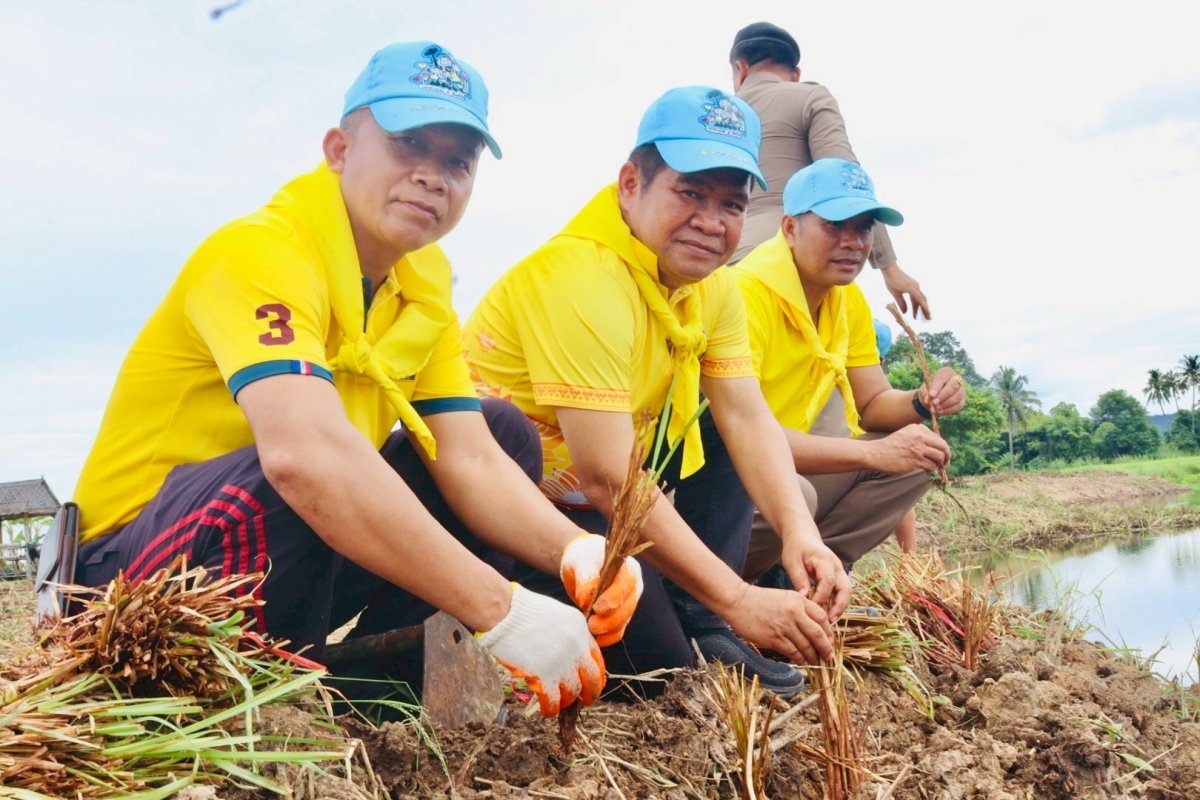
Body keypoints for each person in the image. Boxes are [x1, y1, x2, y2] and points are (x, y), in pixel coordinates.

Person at [70, 41, 643, 719]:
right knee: (308, 465)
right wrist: (502, 607)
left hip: (270, 544)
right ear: (339, 149)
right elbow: (304, 460)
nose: (433, 176)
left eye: (458, 161)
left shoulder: (420, 288)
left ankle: (384, 702)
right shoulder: (262, 252)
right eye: (408, 145)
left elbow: (469, 456)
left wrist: (572, 547)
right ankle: (259, 712)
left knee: (501, 432)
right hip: (129, 577)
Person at [463, 86, 851, 696]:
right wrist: (743, 597)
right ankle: (684, 613)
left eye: (730, 203)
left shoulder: (713, 286)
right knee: (658, 678)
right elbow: (609, 478)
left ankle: (705, 620)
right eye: (689, 192)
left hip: (604, 508)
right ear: (629, 185)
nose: (710, 222)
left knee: (719, 422)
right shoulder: (582, 276)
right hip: (522, 514)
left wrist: (801, 532)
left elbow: (748, 420)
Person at [733, 158, 965, 582]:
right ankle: (724, 587)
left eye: (862, 228)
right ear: (789, 228)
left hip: (790, 468)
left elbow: (874, 403)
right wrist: (874, 453)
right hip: (730, 478)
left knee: (919, 454)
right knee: (801, 493)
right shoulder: (744, 295)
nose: (853, 242)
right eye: (834, 226)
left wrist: (921, 398)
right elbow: (746, 435)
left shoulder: (847, 298)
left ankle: (810, 575)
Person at [728, 21, 931, 320]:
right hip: (794, 264)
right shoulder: (809, 97)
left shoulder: (719, 113)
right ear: (795, 74)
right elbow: (849, 186)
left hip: (727, 264)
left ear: (741, 68)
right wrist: (889, 267)